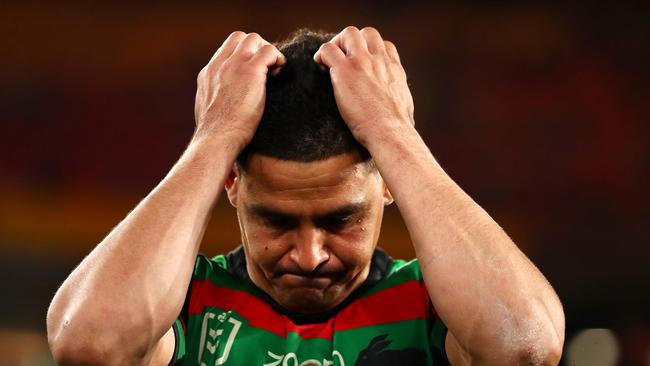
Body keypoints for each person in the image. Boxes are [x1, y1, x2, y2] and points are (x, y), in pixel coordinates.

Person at [46, 27, 565, 365]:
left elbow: (524, 346)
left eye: (341, 220)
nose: (309, 255)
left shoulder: (435, 309)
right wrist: (216, 137)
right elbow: (90, 344)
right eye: (275, 220)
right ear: (231, 183)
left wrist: (393, 133)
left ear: (388, 183)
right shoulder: (182, 308)